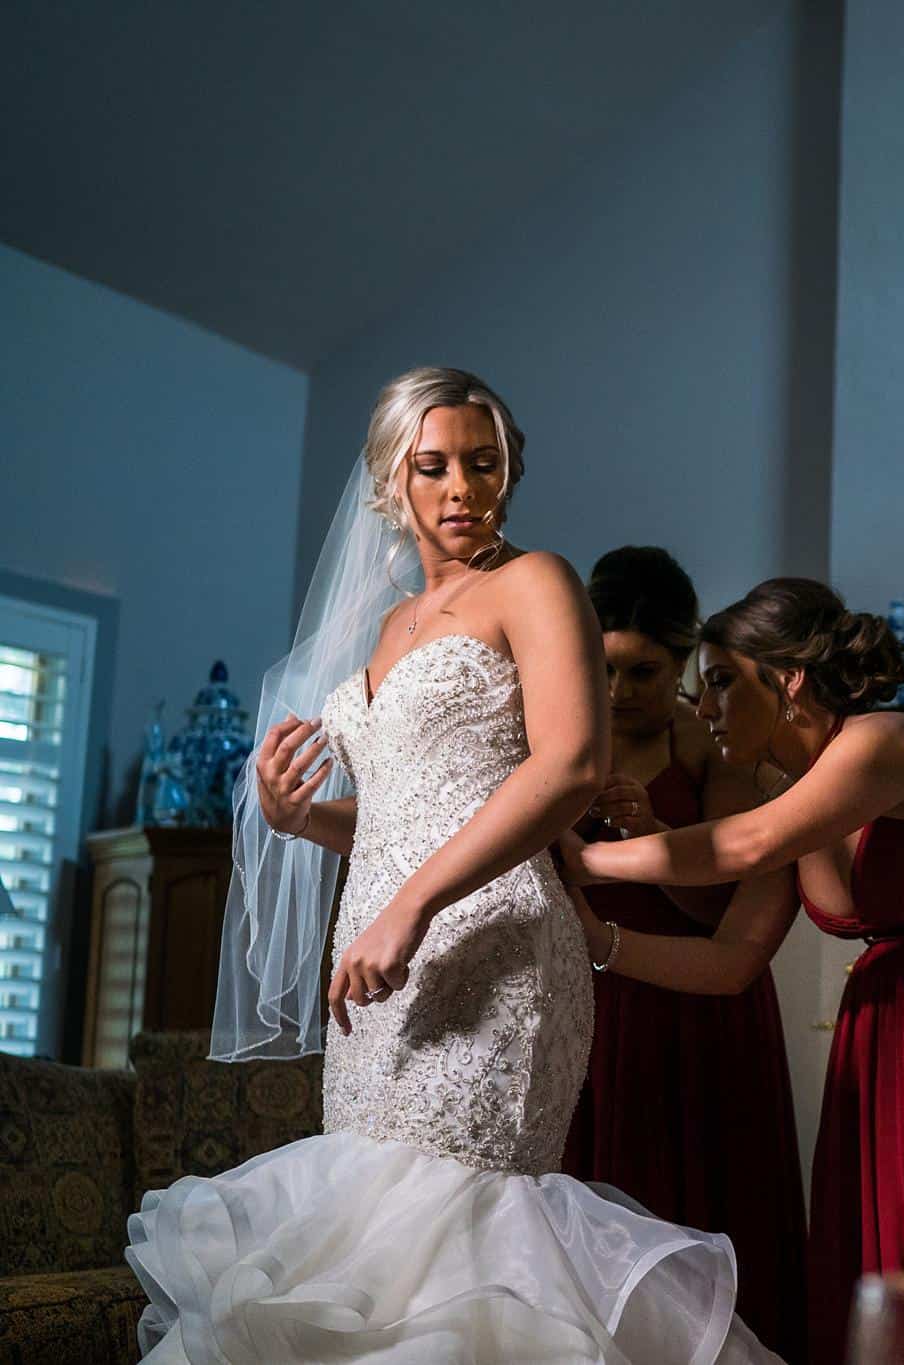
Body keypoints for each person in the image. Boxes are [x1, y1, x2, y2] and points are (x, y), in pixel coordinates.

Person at [143, 368, 778, 1363]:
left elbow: (570, 765)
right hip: (379, 970)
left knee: (467, 1223)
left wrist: (411, 908)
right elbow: (409, 812)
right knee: (373, 1237)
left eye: (482, 465)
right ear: (389, 481)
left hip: (494, 947)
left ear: (509, 471)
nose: (460, 489)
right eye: (431, 466)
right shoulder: (387, 624)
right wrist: (302, 816)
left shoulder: (536, 584)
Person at [556, 577, 904, 1365]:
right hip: (889, 1031)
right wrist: (599, 938)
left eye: (720, 681)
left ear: (786, 679)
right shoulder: (788, 796)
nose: (705, 708)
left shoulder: (885, 741)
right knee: (893, 1256)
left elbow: (743, 845)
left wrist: (584, 860)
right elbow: (731, 960)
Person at [560, 545, 809, 1361]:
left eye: (644, 672)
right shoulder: (561, 733)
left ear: (681, 664)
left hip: (690, 1004)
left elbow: (721, 905)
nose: (619, 692)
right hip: (590, 1000)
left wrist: (652, 835)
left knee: (693, 1205)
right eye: (603, 668)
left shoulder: (707, 745)